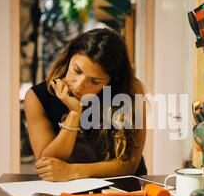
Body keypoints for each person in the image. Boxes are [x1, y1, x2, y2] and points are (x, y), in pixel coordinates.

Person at [24, 28, 147, 181]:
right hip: (66, 192)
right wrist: (74, 114)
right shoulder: (37, 97)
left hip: (123, 189)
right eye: (77, 70)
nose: (79, 86)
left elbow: (130, 164)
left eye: (95, 81)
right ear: (69, 58)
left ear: (111, 81)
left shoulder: (130, 91)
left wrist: (73, 170)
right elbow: (47, 166)